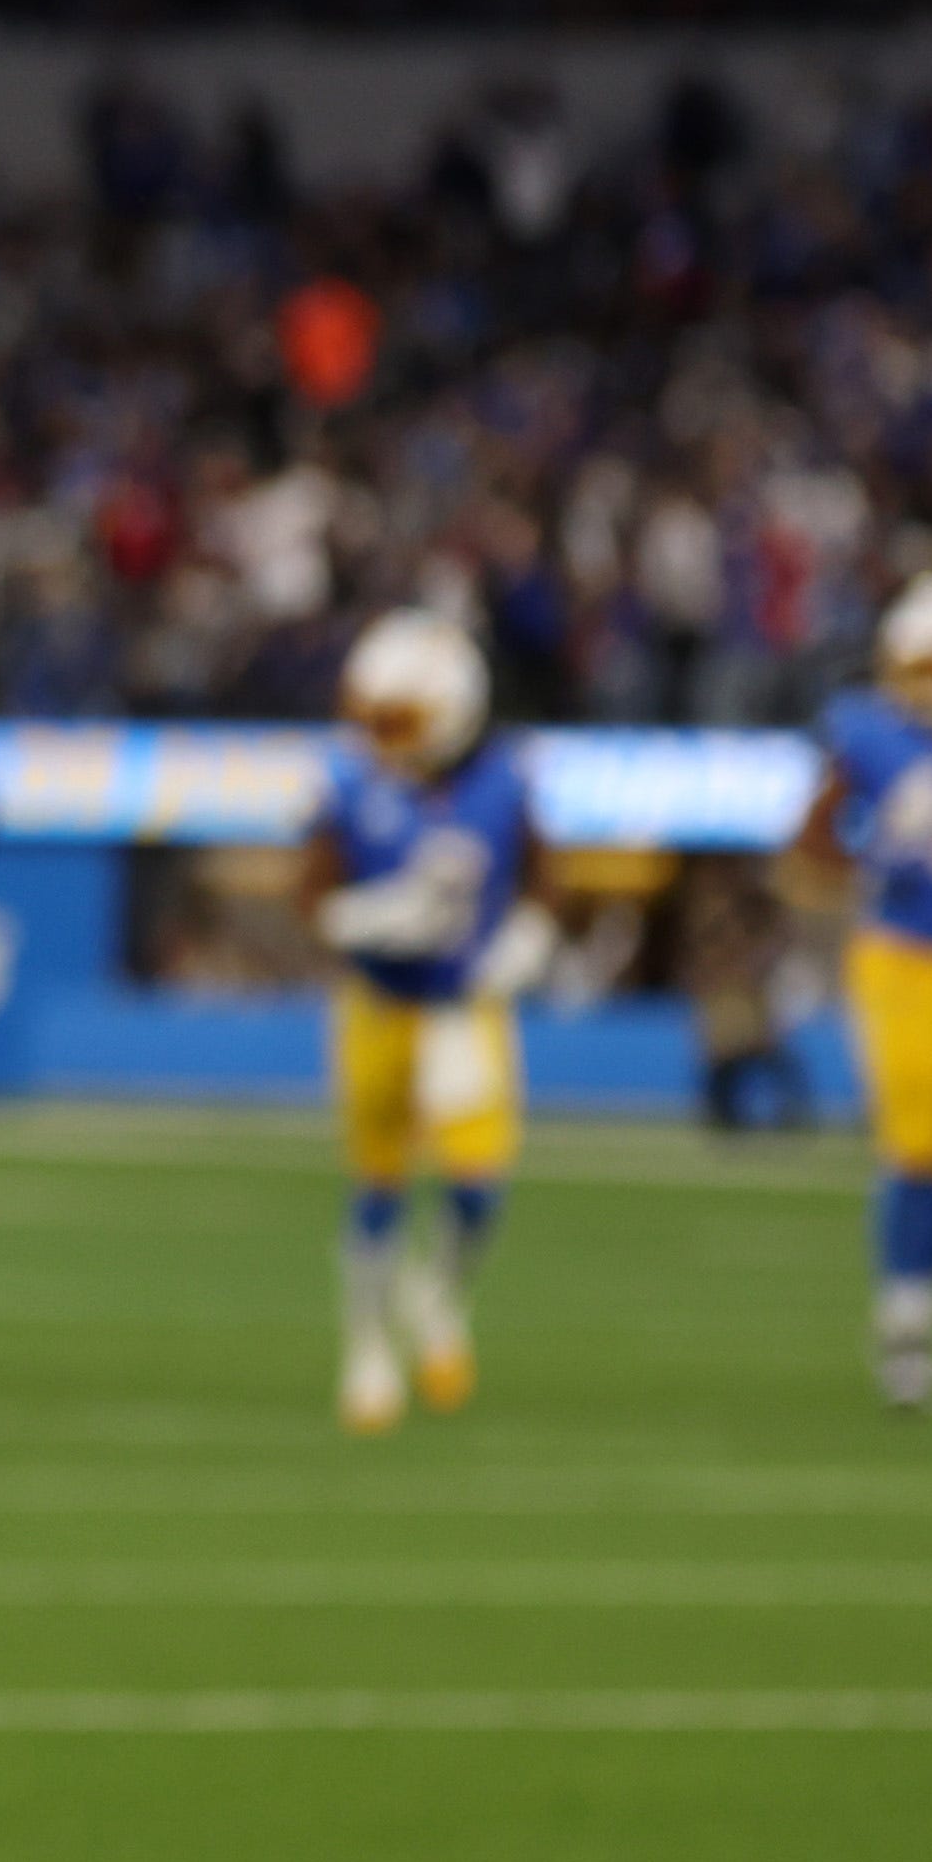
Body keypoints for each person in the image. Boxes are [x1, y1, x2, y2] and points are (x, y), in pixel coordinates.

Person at [305, 609, 557, 1432]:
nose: (382, 734)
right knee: (378, 1183)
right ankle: (369, 1345)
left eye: (401, 717)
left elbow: (545, 872)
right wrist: (367, 919)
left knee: (479, 1185)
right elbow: (313, 895)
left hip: (463, 1005)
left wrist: (529, 936)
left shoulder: (505, 780)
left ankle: (439, 1293)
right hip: (380, 1003)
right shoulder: (348, 783)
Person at [802, 568, 932, 1411]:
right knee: (918, 1140)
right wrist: (876, 852)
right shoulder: (867, 733)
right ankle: (906, 1321)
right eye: (925, 670)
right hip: (905, 955)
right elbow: (813, 842)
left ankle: (919, 1311)